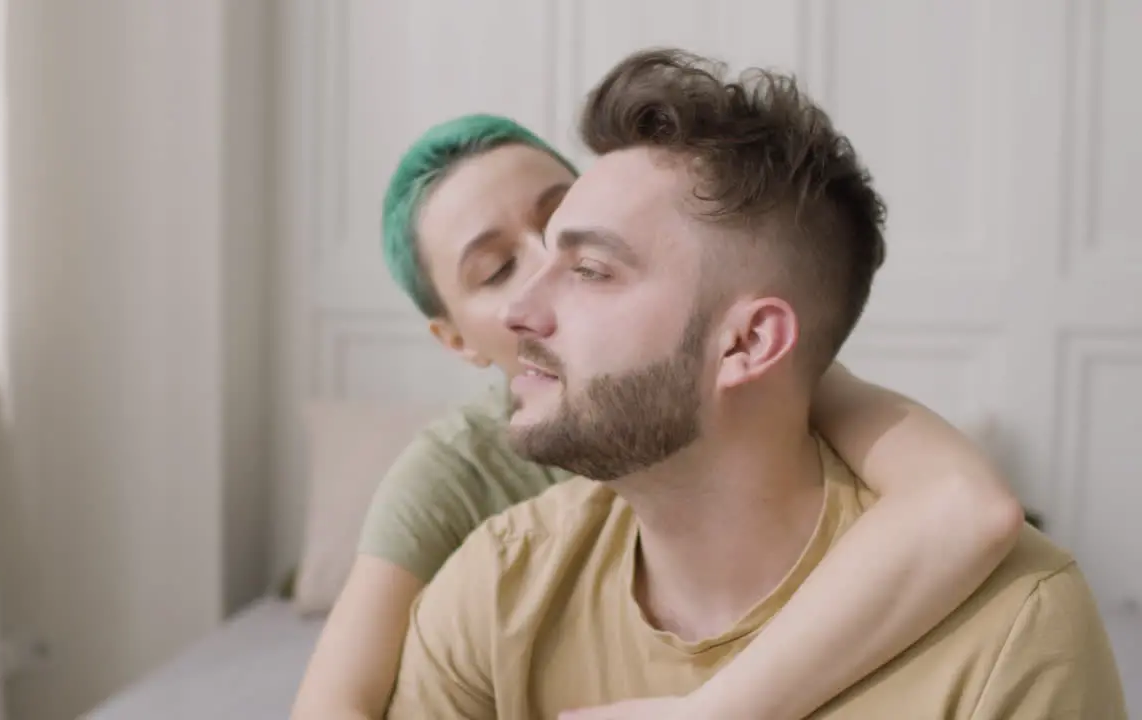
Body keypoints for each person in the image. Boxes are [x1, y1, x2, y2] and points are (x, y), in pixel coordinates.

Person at [381, 49, 1128, 720]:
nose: (517, 312)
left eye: (589, 270)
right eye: (506, 273)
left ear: (747, 342)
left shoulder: (1015, 632)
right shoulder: (493, 591)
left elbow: (970, 508)